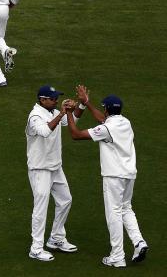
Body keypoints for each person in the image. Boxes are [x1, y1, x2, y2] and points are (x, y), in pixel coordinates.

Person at [64, 86, 148, 267]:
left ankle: (117, 256)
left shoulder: (106, 129)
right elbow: (103, 119)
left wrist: (69, 113)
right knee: (126, 208)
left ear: (108, 109)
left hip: (114, 176)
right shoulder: (125, 122)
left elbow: (75, 135)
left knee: (114, 213)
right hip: (129, 174)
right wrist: (86, 103)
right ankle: (139, 242)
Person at [26, 85, 81, 262]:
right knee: (41, 208)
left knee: (66, 200)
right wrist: (61, 113)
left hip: (55, 166)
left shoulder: (53, 111)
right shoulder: (35, 116)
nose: (56, 101)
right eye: (53, 99)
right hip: (40, 168)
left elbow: (72, 121)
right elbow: (44, 131)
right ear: (42, 100)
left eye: (57, 98)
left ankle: (56, 239)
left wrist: (79, 106)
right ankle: (35, 248)